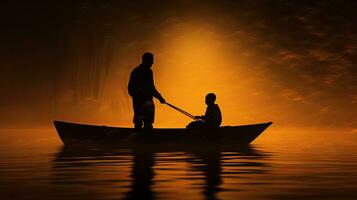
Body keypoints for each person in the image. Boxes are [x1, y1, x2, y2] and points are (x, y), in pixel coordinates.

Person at [128, 52, 166, 130]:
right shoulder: (140, 72)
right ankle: (144, 136)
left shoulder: (147, 72)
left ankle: (143, 136)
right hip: (140, 100)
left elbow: (151, 88)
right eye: (151, 60)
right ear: (146, 60)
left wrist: (159, 97)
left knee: (144, 121)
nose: (152, 63)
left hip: (142, 99)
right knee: (142, 120)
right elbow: (150, 88)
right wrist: (159, 98)